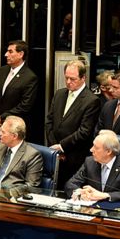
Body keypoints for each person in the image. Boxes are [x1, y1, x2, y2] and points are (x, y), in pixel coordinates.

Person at [45, 60, 101, 188]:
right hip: (54, 154)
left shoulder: (92, 100)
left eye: (73, 79)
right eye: (66, 78)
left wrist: (62, 146)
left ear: (83, 78)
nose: (68, 82)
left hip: (74, 157)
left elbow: (84, 131)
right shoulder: (59, 94)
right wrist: (54, 146)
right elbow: (49, 122)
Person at [65, 130, 120, 202]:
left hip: (114, 211)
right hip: (91, 209)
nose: (91, 150)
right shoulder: (89, 162)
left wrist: (105, 195)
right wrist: (80, 193)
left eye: (96, 148)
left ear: (108, 151)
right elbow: (70, 184)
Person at [0, 116, 42, 193]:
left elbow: (31, 186)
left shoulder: (32, 155)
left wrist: (9, 193)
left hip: (11, 199)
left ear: (14, 136)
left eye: (3, 132)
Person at [0, 40, 38, 135]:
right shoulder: (3, 70)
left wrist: (2, 118)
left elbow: (24, 106)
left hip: (15, 130)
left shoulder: (30, 77)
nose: (6, 54)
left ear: (21, 54)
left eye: (10, 51)